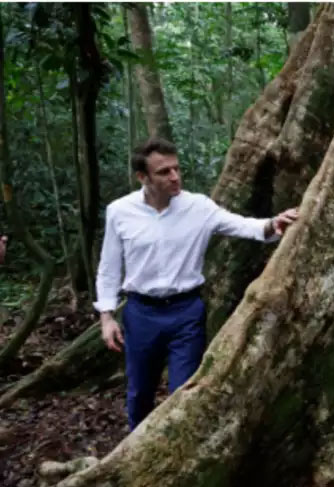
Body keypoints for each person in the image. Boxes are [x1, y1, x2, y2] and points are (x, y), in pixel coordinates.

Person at [95, 137, 298, 430]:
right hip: (141, 313)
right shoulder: (120, 211)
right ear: (143, 177)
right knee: (140, 391)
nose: (175, 177)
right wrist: (106, 316)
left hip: (185, 312)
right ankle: (133, 451)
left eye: (176, 169)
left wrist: (274, 223)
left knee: (184, 392)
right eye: (164, 172)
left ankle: (175, 451)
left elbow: (243, 225)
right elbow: (109, 268)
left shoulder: (198, 207)